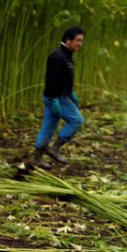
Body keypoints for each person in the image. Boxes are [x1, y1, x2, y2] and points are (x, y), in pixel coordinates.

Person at [32, 26, 85, 170]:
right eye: (78, 41)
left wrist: (71, 92)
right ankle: (55, 148)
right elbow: (51, 80)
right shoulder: (58, 56)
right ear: (68, 40)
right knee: (77, 120)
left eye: (81, 41)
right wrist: (54, 99)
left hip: (58, 95)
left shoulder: (68, 55)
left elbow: (65, 78)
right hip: (56, 97)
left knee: (48, 127)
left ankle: (36, 161)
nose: (80, 44)